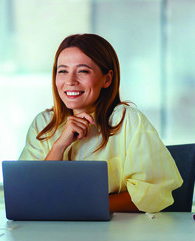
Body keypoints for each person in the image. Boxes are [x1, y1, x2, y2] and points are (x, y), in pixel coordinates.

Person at [19, 33, 183, 213]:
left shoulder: (128, 120)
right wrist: (59, 146)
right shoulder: (43, 124)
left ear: (107, 79)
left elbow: (152, 192)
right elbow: (29, 194)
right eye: (63, 71)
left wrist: (82, 210)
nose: (70, 81)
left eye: (83, 71)